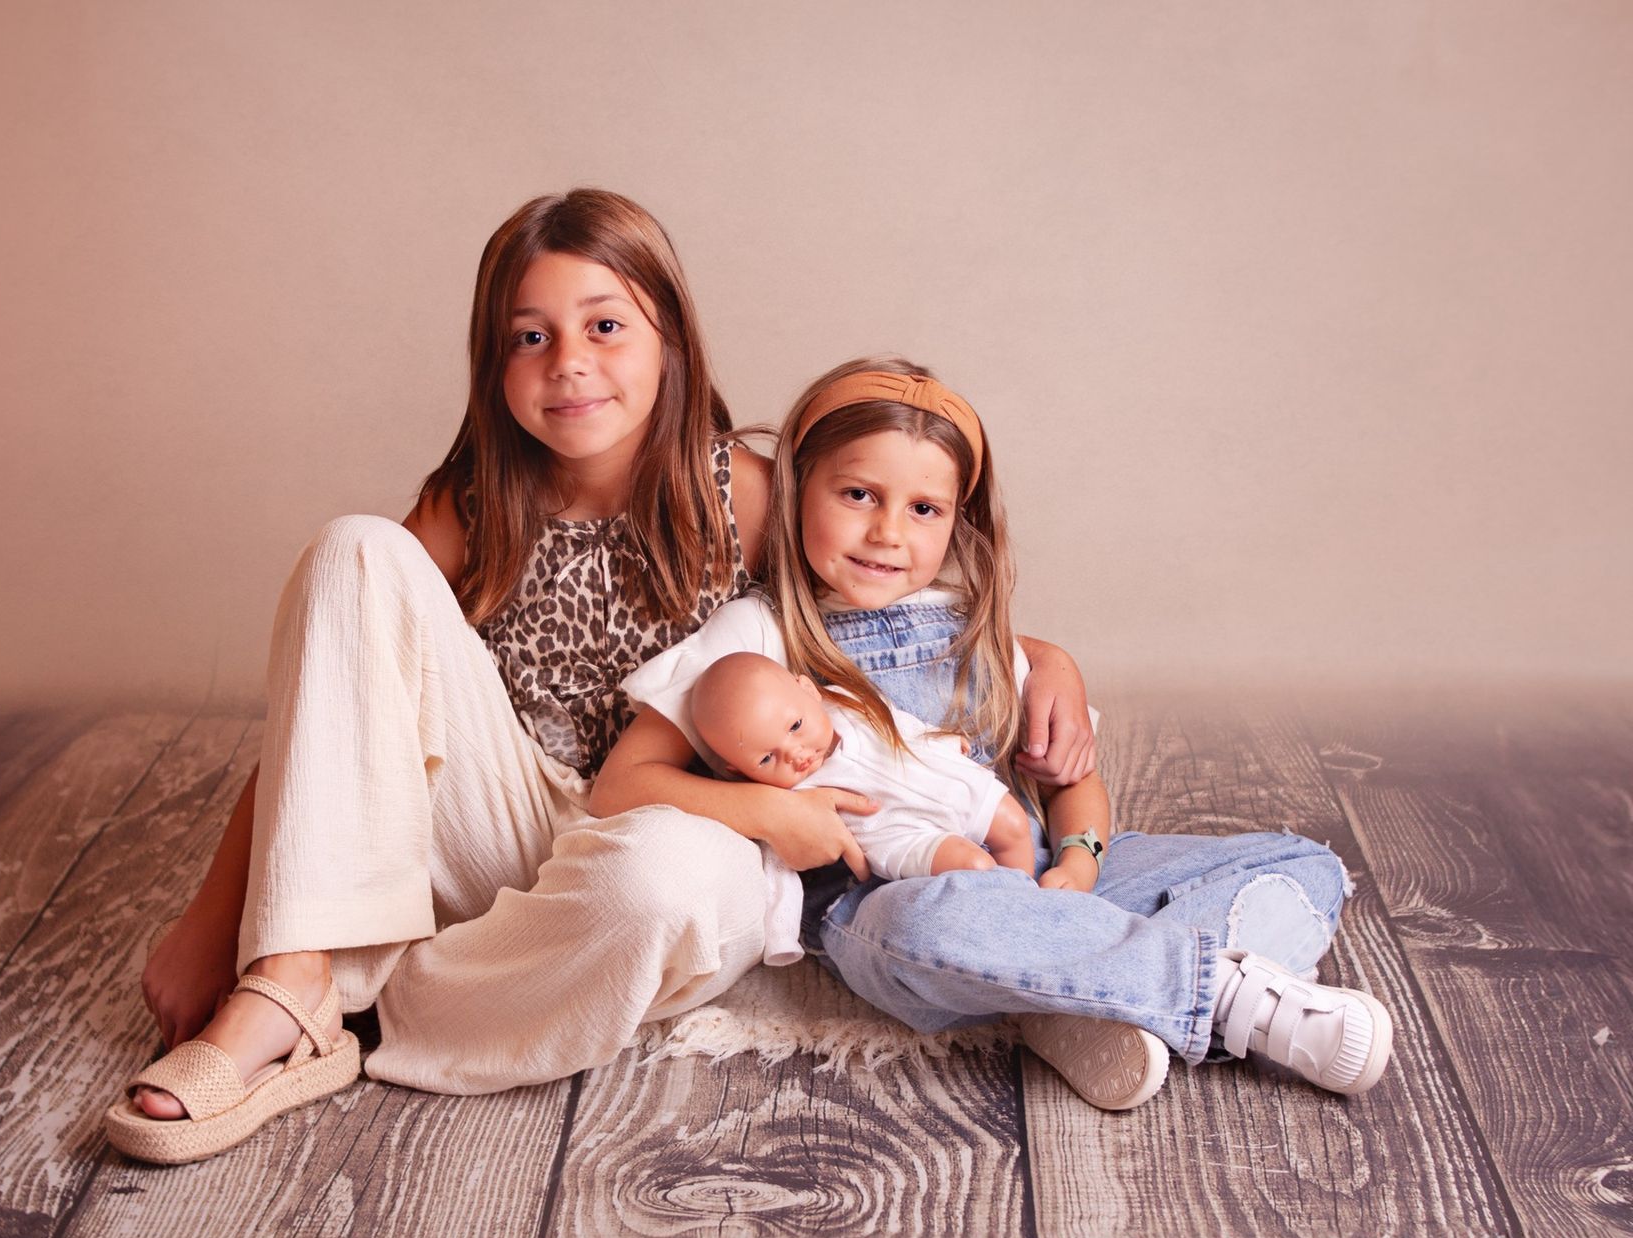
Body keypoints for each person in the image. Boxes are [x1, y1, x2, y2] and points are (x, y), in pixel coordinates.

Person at [103, 193, 1099, 1163]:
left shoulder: (744, 495)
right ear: (494, 363)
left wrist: (1043, 656)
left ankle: (381, 998)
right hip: (506, 819)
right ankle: (291, 978)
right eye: (529, 337)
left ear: (672, 341)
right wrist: (216, 917)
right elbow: (336, 705)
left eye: (606, 325)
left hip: (685, 827)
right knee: (352, 550)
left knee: (658, 886)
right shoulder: (471, 506)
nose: (569, 361)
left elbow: (879, 603)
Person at [596, 357, 1395, 1112]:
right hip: (891, 904)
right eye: (858, 495)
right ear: (799, 489)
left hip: (1043, 883)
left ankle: (1075, 994)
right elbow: (620, 787)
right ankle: (1221, 995)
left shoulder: (976, 633)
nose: (888, 533)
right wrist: (774, 811)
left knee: (1307, 866)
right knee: (934, 923)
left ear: (957, 520)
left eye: (923, 509)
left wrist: (1080, 864)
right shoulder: (758, 633)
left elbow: (1071, 782)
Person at [689, 650, 1039, 880]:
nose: (794, 754)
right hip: (902, 836)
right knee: (974, 866)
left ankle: (1026, 898)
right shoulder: (790, 798)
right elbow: (780, 871)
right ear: (740, 772)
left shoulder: (848, 702)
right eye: (767, 758)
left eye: (795, 726)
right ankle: (1003, 906)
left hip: (939, 782)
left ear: (809, 691)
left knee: (1014, 824)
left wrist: (939, 740)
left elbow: (897, 723)